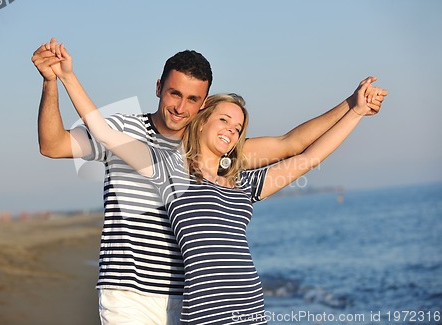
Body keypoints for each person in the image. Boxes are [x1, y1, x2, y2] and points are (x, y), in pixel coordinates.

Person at [31, 38, 387, 324]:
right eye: (174, 93)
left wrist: (353, 106)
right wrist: (56, 80)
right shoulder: (142, 144)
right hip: (130, 293)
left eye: (192, 99)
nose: (181, 107)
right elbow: (61, 143)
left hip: (191, 298)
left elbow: (296, 149)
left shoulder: (229, 167)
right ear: (159, 88)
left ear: (201, 106)